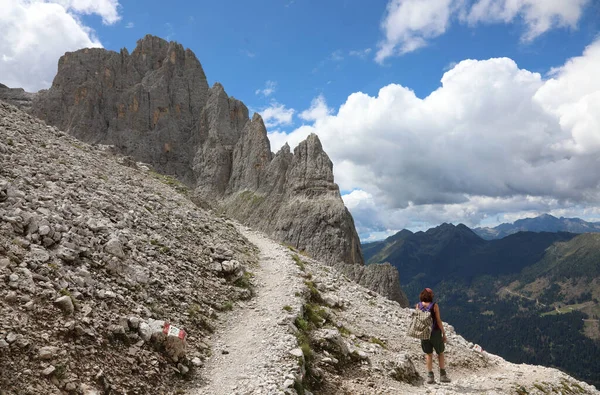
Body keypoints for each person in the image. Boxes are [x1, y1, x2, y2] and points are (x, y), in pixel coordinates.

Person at [416, 287, 451, 384]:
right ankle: (443, 376)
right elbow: (438, 320)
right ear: (430, 296)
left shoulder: (418, 306)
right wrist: (443, 333)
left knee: (428, 354)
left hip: (424, 333)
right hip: (435, 332)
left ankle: (430, 376)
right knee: (440, 352)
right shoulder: (434, 306)